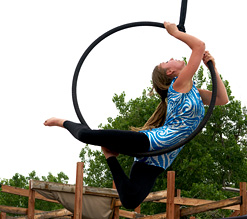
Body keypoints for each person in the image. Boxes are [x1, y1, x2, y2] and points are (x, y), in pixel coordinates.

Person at [44, 22, 229, 209]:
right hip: (153, 142)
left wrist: (212, 68)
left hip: (161, 157)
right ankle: (62, 122)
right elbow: (199, 46)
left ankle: (110, 156)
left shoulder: (194, 92)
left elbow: (221, 98)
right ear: (170, 72)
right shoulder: (178, 85)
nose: (171, 58)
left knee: (130, 200)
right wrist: (174, 33)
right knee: (87, 136)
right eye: (166, 61)